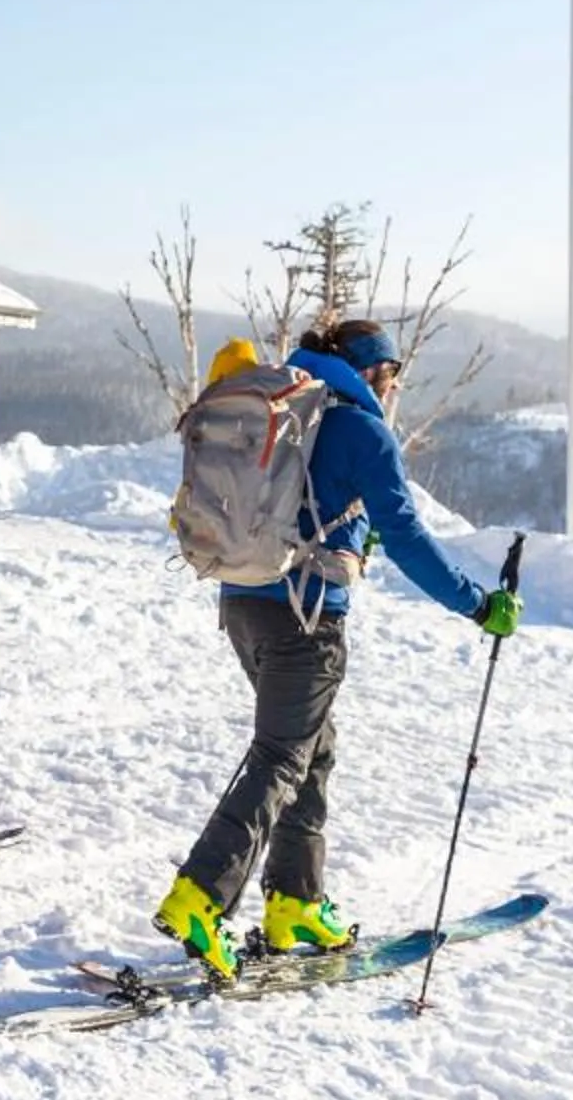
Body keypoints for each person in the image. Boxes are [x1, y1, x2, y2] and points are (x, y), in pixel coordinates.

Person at [152, 319, 521, 976]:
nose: (397, 389)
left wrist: (345, 533)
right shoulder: (359, 428)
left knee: (310, 749)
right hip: (306, 618)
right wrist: (477, 603)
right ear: (375, 372)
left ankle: (295, 899)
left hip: (242, 602)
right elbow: (407, 537)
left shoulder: (286, 404)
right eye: (395, 377)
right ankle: (200, 897)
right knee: (283, 757)